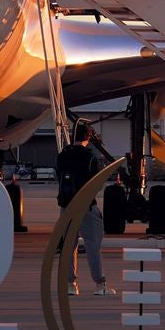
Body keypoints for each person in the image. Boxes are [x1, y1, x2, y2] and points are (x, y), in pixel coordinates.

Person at [56, 122, 115, 296]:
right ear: (88, 137)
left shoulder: (62, 156)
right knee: (92, 245)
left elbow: (58, 176)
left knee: (68, 246)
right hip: (86, 206)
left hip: (66, 206)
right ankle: (100, 284)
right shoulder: (90, 157)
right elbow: (96, 184)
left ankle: (70, 284)